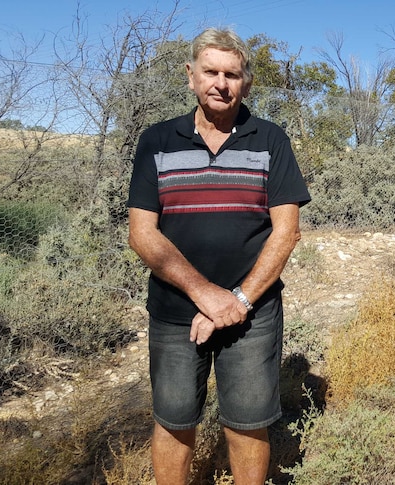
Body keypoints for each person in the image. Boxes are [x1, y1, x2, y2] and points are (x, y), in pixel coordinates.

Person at [127, 27, 311, 484]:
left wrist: (239, 302)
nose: (220, 83)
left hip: (252, 312)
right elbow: (142, 235)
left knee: (248, 424)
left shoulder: (270, 140)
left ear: (246, 83)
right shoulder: (156, 142)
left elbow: (286, 233)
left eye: (232, 74)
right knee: (174, 420)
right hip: (175, 311)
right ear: (190, 76)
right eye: (210, 71)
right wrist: (206, 295)